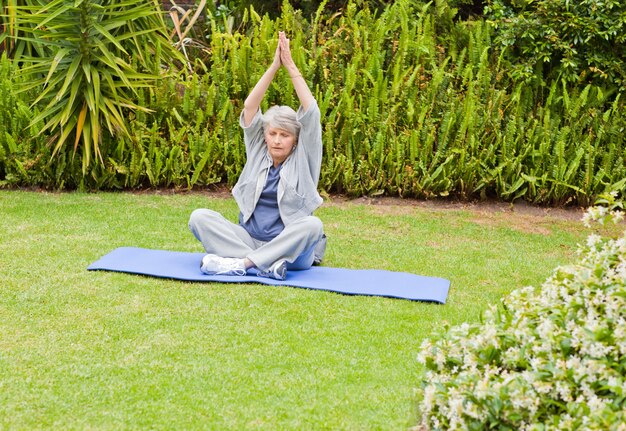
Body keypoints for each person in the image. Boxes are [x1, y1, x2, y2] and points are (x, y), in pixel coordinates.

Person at [188, 31, 326, 280]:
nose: (276, 140)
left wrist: (290, 66)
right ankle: (263, 265)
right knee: (199, 217)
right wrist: (274, 66)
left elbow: (312, 112)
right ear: (265, 135)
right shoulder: (258, 149)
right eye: (272, 133)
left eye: (284, 135)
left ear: (295, 140)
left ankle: (243, 263)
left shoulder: (304, 158)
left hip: (290, 249)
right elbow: (250, 107)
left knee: (313, 226)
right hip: (249, 240)